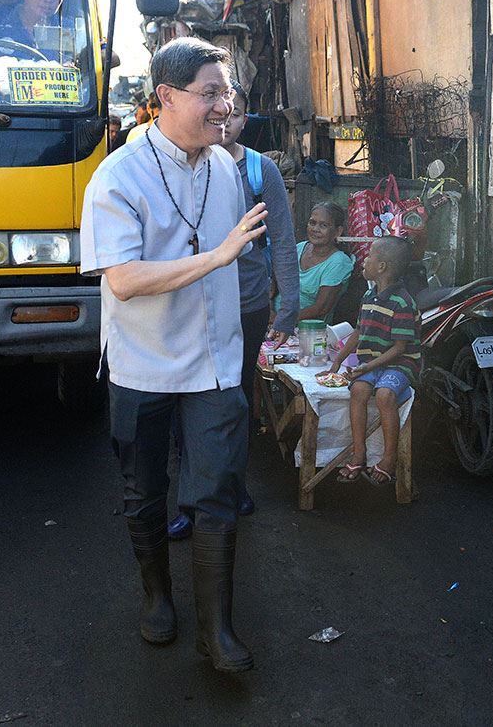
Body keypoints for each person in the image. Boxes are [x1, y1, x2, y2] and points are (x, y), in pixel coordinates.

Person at [80, 36, 266, 673]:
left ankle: (217, 630)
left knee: (217, 492)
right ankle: (157, 597)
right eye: (210, 93)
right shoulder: (118, 176)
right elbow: (124, 280)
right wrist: (216, 257)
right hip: (143, 362)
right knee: (145, 490)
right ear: (165, 96)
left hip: (215, 362)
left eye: (227, 93)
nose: (224, 106)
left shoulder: (225, 169)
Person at [167, 83, 299, 540]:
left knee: (236, 399)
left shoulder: (261, 171)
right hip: (190, 301)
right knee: (187, 400)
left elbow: (283, 239)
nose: (225, 121)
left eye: (236, 113)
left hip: (247, 303)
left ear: (245, 119)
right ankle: (190, 499)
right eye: (217, 110)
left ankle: (233, 485)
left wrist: (288, 306)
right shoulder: (180, 164)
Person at [318, 236, 421, 486]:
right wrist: (338, 361)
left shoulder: (402, 303)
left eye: (370, 256)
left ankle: (389, 458)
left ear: (382, 267)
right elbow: (358, 331)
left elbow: (399, 349)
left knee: (385, 395)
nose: (364, 260)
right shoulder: (368, 296)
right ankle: (359, 453)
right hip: (372, 363)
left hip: (400, 364)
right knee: (358, 391)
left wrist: (367, 366)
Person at [276, 201, 354, 323]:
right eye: (312, 223)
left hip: (305, 328)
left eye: (323, 225)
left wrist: (281, 321)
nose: (315, 229)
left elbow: (320, 308)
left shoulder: (339, 262)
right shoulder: (299, 248)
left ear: (338, 231)